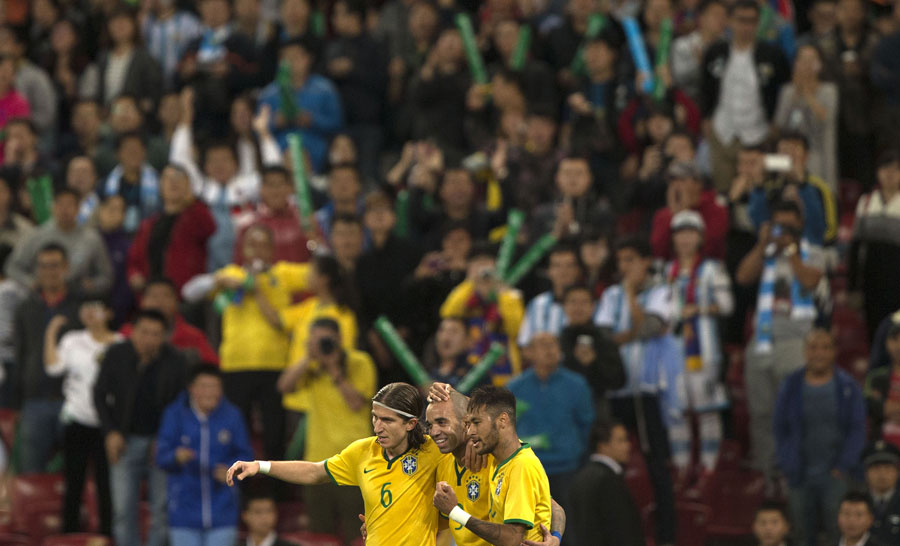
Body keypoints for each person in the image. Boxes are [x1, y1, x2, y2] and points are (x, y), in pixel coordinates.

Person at [227, 382, 446, 545]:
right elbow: (314, 472)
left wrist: (451, 396)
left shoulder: (433, 451)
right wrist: (260, 465)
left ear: (411, 424)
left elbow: (471, 434)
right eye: (374, 417)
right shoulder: (362, 451)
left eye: (387, 420)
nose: (378, 427)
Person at [182, 224, 310, 461]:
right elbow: (189, 292)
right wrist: (217, 282)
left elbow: (317, 275)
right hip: (235, 366)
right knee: (236, 431)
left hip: (275, 366)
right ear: (244, 249)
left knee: (275, 431)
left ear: (273, 250)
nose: (258, 251)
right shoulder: (232, 273)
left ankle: (275, 492)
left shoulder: (282, 274)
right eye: (252, 245)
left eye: (264, 245)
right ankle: (239, 492)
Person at [594, 237, 680, 546]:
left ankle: (666, 537)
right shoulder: (610, 296)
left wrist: (631, 297)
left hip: (648, 391)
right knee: (612, 464)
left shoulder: (662, 291)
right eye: (621, 261)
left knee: (657, 465)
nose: (625, 267)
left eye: (631, 259)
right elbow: (603, 338)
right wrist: (629, 334)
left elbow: (649, 328)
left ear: (646, 262)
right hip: (618, 391)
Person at [93, 309, 189, 546]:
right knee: (123, 510)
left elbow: (181, 405)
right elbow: (99, 394)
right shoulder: (117, 354)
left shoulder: (175, 361)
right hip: (125, 441)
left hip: (161, 444)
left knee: (161, 511)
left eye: (156, 334)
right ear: (133, 332)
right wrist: (111, 432)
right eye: (144, 332)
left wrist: (165, 440)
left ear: (164, 336)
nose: (149, 339)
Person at [276, 318, 375, 542]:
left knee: (358, 535)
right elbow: (283, 386)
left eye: (326, 340)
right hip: (317, 466)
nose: (322, 345)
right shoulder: (311, 368)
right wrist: (308, 358)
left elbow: (357, 403)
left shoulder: (359, 362)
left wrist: (334, 370)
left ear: (339, 339)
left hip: (354, 464)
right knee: (319, 537)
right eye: (316, 340)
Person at [773, 329, 866, 546]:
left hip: (836, 476)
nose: (819, 353)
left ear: (834, 352)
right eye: (813, 347)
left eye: (825, 347)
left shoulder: (848, 386)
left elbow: (858, 429)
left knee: (839, 534)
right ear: (805, 351)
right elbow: (780, 429)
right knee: (802, 536)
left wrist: (844, 465)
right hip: (799, 475)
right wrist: (787, 463)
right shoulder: (790, 386)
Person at [432, 385, 553, 545]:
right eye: (470, 424)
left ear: (502, 420)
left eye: (476, 423)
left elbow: (512, 538)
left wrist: (454, 512)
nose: (471, 432)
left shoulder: (521, 465)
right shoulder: (499, 463)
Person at [663, 211, 733, 476]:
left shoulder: (711, 269)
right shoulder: (665, 271)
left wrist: (698, 309)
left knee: (707, 410)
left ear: (701, 237)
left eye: (691, 233)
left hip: (704, 350)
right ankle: (681, 469)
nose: (685, 239)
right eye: (680, 233)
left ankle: (708, 469)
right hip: (672, 351)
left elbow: (727, 305)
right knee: (676, 411)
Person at [44, 299, 122, 535]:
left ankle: (107, 534)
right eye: (85, 309)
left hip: (108, 424)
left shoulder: (120, 343)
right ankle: (68, 534)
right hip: (77, 420)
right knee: (73, 483)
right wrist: (51, 331)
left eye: (95, 308)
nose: (89, 313)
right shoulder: (73, 340)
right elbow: (53, 369)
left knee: (106, 484)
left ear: (108, 312)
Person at [507, 333, 593, 546]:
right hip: (529, 471)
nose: (549, 350)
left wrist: (573, 450)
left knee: (571, 529)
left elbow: (586, 424)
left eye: (554, 345)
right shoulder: (514, 388)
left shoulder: (577, 384)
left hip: (567, 468)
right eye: (543, 345)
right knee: (531, 531)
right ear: (528, 352)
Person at [156, 364, 253, 546]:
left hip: (223, 513)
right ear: (191, 388)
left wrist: (230, 469)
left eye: (214, 387)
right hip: (183, 513)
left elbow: (246, 455)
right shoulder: (174, 414)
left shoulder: (232, 416)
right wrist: (176, 457)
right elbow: (161, 457)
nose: (210, 392)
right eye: (204, 386)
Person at [701, 0, 790, 192]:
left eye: (751, 21)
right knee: (724, 192)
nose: (746, 27)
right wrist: (706, 117)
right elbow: (705, 87)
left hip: (758, 134)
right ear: (730, 21)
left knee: (760, 188)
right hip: (723, 132)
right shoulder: (715, 52)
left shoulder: (772, 55)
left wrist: (776, 121)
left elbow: (783, 89)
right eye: (741, 20)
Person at [12, 242, 82, 473]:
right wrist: (19, 399)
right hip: (35, 401)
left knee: (74, 474)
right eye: (43, 266)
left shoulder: (80, 307)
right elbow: (20, 354)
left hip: (72, 401)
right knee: (30, 474)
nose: (48, 272)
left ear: (66, 268)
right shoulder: (25, 308)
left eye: (54, 265)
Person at [440, 243, 524, 386]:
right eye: (477, 263)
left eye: (487, 263)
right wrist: (471, 282)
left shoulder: (510, 295)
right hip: (469, 376)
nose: (483, 269)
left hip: (505, 376)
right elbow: (448, 313)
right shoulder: (465, 293)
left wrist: (500, 290)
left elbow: (517, 327)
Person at [127, 164, 216, 294]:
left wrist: (192, 201)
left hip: (184, 295)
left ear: (188, 186)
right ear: (160, 186)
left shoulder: (195, 215)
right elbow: (134, 261)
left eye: (179, 179)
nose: (174, 183)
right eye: (168, 179)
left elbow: (209, 228)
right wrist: (134, 275)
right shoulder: (148, 225)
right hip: (151, 295)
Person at [6, 188, 113, 296]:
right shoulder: (36, 235)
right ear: (52, 207)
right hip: (41, 297)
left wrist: (92, 285)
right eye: (60, 204)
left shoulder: (92, 239)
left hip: (79, 297)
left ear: (78, 208)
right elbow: (12, 267)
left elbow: (106, 277)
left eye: (69, 205)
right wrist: (31, 282)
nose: (64, 209)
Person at [257, 37, 342, 173]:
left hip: (315, 145)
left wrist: (311, 120)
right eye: (286, 59)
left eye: (296, 57)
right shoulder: (269, 94)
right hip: (280, 148)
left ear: (307, 59)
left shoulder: (325, 89)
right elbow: (258, 129)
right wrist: (276, 122)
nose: (291, 63)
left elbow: (337, 123)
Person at [747, 131, 838, 247]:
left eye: (794, 151)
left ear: (806, 156)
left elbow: (829, 234)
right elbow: (759, 225)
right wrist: (758, 186)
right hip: (776, 249)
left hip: (812, 251)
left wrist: (802, 186)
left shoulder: (820, 188)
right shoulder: (769, 188)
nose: (788, 156)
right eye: (784, 151)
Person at [850, 150, 900, 342]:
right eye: (885, 168)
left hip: (897, 281)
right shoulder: (866, 201)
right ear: (878, 172)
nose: (890, 174)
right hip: (872, 281)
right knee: (875, 334)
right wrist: (853, 286)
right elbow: (855, 247)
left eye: (896, 169)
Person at [774, 44, 839, 190]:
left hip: (819, 155)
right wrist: (796, 94)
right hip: (790, 155)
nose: (806, 65)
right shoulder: (787, 92)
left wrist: (807, 93)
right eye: (802, 60)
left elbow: (825, 119)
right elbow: (780, 124)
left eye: (811, 60)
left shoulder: (829, 91)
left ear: (820, 65)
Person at [570, 421, 645, 546]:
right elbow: (621, 530)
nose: (628, 445)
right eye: (621, 440)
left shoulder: (581, 477)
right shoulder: (608, 480)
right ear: (603, 446)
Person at [120, 278, 219, 367]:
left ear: (176, 302)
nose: (160, 301)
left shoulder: (193, 336)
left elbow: (212, 369)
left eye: (166, 296)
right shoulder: (127, 333)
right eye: (154, 296)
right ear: (142, 302)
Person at [558, 284, 625, 410]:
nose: (578, 308)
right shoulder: (557, 342)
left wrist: (594, 363)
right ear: (564, 306)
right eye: (573, 302)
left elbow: (619, 380)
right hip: (562, 406)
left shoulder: (604, 340)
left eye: (584, 302)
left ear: (593, 307)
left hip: (596, 406)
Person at [233, 165, 317, 265]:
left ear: (291, 188)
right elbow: (239, 265)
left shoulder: (305, 219)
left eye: (280, 184)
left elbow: (317, 253)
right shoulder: (248, 224)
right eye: (270, 185)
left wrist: (313, 240)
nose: (275, 190)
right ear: (261, 189)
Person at [650, 162, 729, 261]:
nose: (676, 185)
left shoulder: (716, 209)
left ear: (698, 184)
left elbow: (710, 248)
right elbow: (658, 252)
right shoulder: (663, 215)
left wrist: (684, 214)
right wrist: (673, 215)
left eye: (682, 180)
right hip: (672, 270)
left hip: (707, 269)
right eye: (672, 181)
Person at [517, 245, 583, 347]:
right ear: (548, 271)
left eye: (569, 265)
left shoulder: (588, 303)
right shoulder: (536, 304)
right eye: (557, 266)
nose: (563, 271)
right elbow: (524, 344)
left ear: (577, 270)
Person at [862, 441, 900, 543]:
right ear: (866, 473)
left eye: (887, 468)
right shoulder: (858, 502)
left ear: (897, 472)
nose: (882, 474)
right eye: (876, 468)